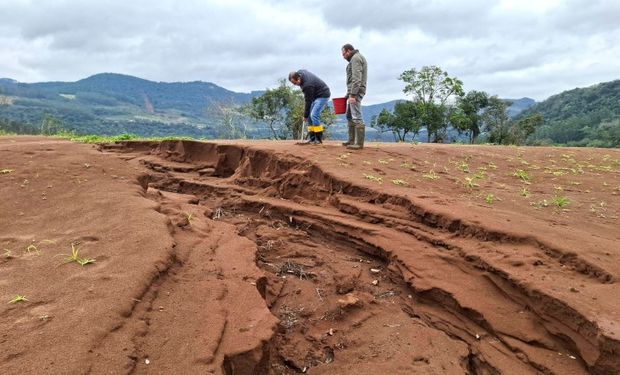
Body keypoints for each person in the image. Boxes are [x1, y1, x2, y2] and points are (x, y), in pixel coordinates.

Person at [288, 70, 331, 144]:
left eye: (295, 83)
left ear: (298, 79)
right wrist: (307, 116)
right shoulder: (300, 72)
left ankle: (318, 139)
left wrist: (305, 115)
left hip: (323, 95)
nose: (295, 85)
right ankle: (312, 138)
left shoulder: (307, 85)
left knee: (313, 115)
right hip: (315, 95)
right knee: (310, 117)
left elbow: (308, 101)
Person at [341, 43, 368, 149]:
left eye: (344, 54)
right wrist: (347, 94)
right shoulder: (354, 59)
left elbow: (357, 79)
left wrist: (352, 95)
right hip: (353, 92)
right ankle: (351, 140)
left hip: (356, 92)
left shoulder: (356, 58)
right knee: (349, 115)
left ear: (348, 51)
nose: (343, 57)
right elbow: (353, 79)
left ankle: (359, 144)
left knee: (356, 116)